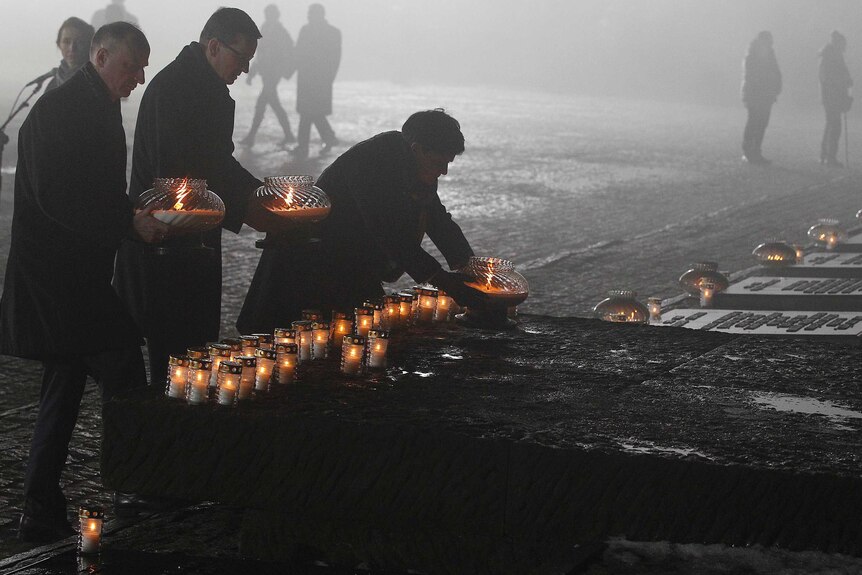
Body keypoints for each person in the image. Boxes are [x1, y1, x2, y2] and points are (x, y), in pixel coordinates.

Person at [0, 22, 165, 543]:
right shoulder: (60, 110)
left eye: (142, 69)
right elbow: (60, 197)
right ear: (99, 57)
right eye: (130, 66)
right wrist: (127, 222)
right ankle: (132, 485)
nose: (138, 78)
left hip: (74, 277)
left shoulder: (96, 102)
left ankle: (40, 504)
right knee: (123, 372)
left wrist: (130, 211)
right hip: (58, 280)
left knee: (65, 384)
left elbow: (93, 187)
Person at [113, 7, 286, 388]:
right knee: (172, 360)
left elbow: (217, 162)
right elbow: (183, 178)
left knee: (189, 353)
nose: (244, 69)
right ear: (213, 46)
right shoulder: (175, 90)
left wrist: (262, 192)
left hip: (195, 241)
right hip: (165, 245)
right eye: (241, 58)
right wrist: (250, 207)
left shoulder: (206, 89)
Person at [238, 109, 489, 333]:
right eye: (439, 162)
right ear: (418, 149)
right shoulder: (375, 163)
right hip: (312, 264)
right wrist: (443, 281)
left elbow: (436, 218)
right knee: (308, 340)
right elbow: (389, 232)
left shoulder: (417, 165)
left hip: (350, 263)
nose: (443, 171)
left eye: (448, 163)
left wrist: (470, 267)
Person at [240, 4, 296, 147]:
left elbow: (289, 52)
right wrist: (253, 72)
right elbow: (261, 54)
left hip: (273, 74)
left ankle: (251, 137)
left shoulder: (279, 32)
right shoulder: (266, 29)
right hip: (267, 73)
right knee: (273, 104)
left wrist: (283, 70)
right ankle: (288, 135)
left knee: (262, 105)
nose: (268, 16)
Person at [292, 3, 341, 159]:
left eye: (310, 13)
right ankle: (327, 137)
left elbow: (298, 53)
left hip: (313, 79)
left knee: (308, 113)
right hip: (318, 80)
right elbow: (335, 58)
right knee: (312, 112)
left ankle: (305, 146)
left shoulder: (306, 31)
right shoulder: (333, 32)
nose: (308, 16)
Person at [740, 31, 781, 165]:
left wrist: (776, 87)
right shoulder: (752, 57)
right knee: (754, 122)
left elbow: (776, 72)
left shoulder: (769, 55)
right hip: (755, 94)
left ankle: (756, 151)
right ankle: (748, 151)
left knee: (762, 123)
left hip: (766, 95)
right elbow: (751, 77)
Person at [819, 30, 853, 167]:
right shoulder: (830, 58)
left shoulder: (834, 57)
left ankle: (825, 155)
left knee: (831, 125)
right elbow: (829, 79)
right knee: (835, 126)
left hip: (834, 97)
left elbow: (844, 78)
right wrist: (843, 87)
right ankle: (829, 156)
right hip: (831, 97)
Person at [45, 17, 95, 92]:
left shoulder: (97, 80)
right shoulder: (53, 84)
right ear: (59, 44)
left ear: (89, 44)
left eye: (79, 42)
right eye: (66, 41)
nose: (72, 48)